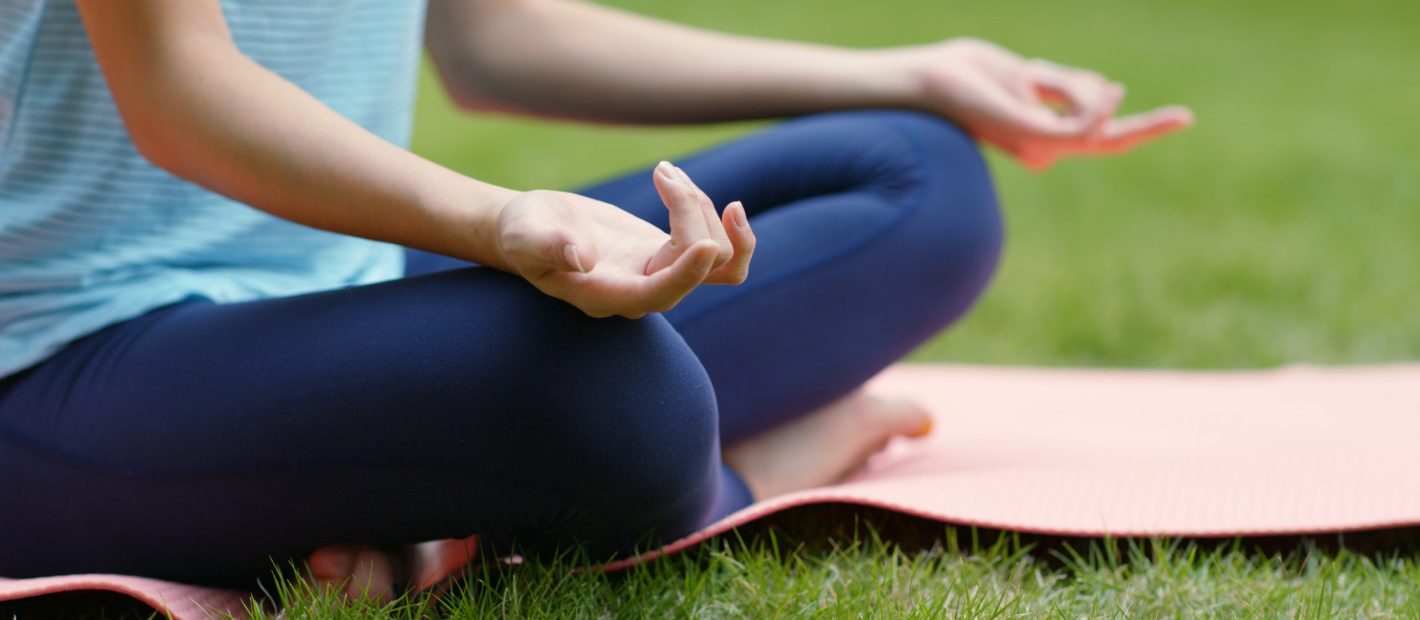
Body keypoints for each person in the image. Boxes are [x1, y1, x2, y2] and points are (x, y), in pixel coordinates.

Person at [0, 0, 1191, 598]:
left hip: (343, 283)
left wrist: (904, 72)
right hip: (65, 356)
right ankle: (741, 477)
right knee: (617, 386)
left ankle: (423, 505)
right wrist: (497, 222)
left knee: (916, 175)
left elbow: (498, 36)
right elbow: (180, 93)